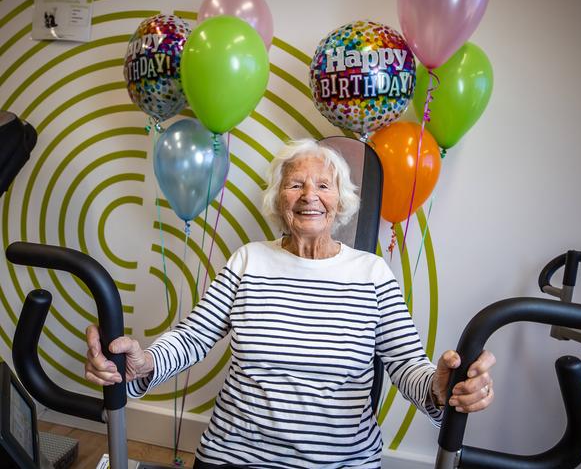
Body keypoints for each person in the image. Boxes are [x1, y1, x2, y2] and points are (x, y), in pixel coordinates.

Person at [85, 139, 496, 468]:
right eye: (295, 183)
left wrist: (440, 388)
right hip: (235, 456)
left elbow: (407, 364)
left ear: (342, 200)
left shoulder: (371, 273)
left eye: (323, 185)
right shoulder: (249, 260)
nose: (309, 196)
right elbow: (194, 336)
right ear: (279, 198)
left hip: (340, 462)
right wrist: (145, 363)